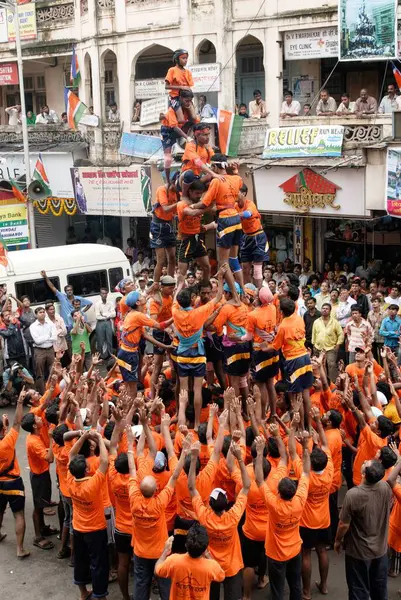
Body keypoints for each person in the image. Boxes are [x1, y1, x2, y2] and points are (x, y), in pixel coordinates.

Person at [127, 424, 187, 600]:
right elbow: (175, 475)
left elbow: (132, 469)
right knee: (164, 586)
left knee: (140, 584)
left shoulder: (134, 499)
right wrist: (184, 452)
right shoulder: (160, 502)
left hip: (140, 551)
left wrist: (130, 442)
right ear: (155, 492)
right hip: (160, 552)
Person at [188, 440, 251, 600]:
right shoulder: (234, 516)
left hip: (211, 564)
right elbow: (246, 486)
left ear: (209, 503)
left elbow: (192, 488)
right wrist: (240, 460)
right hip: (232, 566)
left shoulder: (204, 516)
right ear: (226, 504)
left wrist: (194, 458)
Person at [255, 430, 310, 600]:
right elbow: (306, 473)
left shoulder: (274, 504)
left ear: (278, 491)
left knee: (277, 590)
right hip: (294, 550)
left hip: (276, 555)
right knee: (295, 586)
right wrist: (306, 447)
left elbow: (259, 480)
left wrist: (258, 453)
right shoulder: (300, 500)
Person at [172, 266, 225, 429]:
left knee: (183, 390)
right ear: (191, 300)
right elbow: (218, 298)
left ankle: (183, 421)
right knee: (196, 389)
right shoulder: (199, 312)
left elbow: (175, 298)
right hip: (198, 355)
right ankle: (195, 423)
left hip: (182, 355)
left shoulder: (175, 311)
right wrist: (221, 278)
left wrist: (180, 282)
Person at [334, 459, 393, 600]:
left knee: (358, 591)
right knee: (379, 590)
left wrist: (337, 541)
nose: (365, 460)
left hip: (358, 552)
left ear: (364, 474)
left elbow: (343, 524)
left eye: (366, 463)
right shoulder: (386, 488)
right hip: (380, 550)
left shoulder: (353, 495)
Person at [67, 430, 110, 600]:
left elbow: (71, 453)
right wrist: (99, 438)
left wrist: (83, 437)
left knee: (81, 560)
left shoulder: (70, 480)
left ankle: (83, 593)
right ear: (86, 469)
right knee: (99, 564)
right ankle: (100, 595)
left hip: (78, 526)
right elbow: (105, 461)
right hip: (95, 529)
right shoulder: (93, 484)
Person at [296, 408, 333, 599]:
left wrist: (303, 445)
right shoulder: (329, 471)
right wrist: (318, 421)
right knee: (322, 551)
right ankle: (325, 585)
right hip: (324, 520)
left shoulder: (306, 476)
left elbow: (301, 461)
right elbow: (325, 443)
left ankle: (307, 591)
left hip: (306, 522)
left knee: (306, 555)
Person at [190, 154, 244, 287]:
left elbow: (204, 203)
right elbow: (240, 198)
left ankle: (235, 295)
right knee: (234, 259)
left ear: (214, 167)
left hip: (225, 220)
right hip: (236, 220)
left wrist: (191, 206)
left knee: (223, 263)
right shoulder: (237, 179)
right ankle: (242, 289)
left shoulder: (216, 181)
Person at [267, 298, 313, 427]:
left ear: (281, 311)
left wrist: (265, 347)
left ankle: (301, 427)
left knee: (296, 397)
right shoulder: (299, 318)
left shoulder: (283, 326)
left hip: (294, 361)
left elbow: (275, 346)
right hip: (305, 357)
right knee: (305, 394)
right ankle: (308, 427)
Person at [155, 523, 225, 600]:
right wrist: (208, 555)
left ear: (186, 545)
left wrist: (165, 552)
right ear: (205, 549)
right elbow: (221, 576)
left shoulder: (173, 561)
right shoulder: (211, 566)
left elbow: (157, 571)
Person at [0, 388, 30, 558]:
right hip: (13, 483)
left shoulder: (5, 439)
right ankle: (20, 549)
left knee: (0, 509)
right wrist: (19, 401)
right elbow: (17, 422)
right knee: (18, 514)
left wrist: (3, 428)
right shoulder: (7, 443)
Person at [21, 411, 55, 550]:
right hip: (39, 476)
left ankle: (43, 528)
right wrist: (52, 439)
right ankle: (37, 536)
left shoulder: (34, 436)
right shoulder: (34, 441)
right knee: (38, 507)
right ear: (35, 425)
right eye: (37, 418)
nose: (40, 418)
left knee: (41, 504)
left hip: (41, 474)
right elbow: (50, 458)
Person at [176, 180, 212, 285]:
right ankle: (179, 296)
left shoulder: (199, 203)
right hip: (185, 240)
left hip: (197, 239)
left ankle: (205, 288)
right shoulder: (181, 204)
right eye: (197, 193)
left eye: (201, 194)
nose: (199, 196)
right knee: (182, 272)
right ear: (190, 192)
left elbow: (214, 208)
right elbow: (192, 213)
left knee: (207, 267)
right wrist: (207, 208)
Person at [236, 183, 269, 288]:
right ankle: (247, 291)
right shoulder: (235, 206)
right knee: (245, 267)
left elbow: (247, 214)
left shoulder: (250, 204)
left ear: (244, 193)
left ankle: (258, 292)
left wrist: (233, 215)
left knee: (257, 270)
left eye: (236, 191)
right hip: (246, 237)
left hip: (258, 237)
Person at [150, 181, 178, 283]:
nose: (178, 188)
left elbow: (174, 211)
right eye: (177, 185)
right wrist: (180, 204)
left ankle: (169, 281)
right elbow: (166, 208)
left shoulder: (176, 192)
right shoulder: (162, 190)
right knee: (161, 260)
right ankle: (155, 284)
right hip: (158, 226)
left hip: (169, 225)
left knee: (172, 257)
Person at [312, 303, 344, 382]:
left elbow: (340, 334)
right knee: (317, 365)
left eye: (327, 309)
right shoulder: (316, 321)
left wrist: (338, 344)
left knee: (331, 365)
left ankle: (333, 383)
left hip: (330, 348)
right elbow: (314, 334)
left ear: (330, 311)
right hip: (318, 347)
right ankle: (319, 382)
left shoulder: (335, 322)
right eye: (323, 308)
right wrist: (314, 344)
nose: (324, 310)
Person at [29, 307, 57, 394]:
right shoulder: (33, 326)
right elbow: (37, 341)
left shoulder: (50, 324)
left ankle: (53, 392)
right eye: (40, 312)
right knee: (39, 373)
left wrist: (44, 338)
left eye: (43, 312)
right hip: (39, 351)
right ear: (36, 315)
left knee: (53, 371)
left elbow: (54, 337)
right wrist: (48, 336)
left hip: (50, 349)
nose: (43, 314)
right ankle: (42, 393)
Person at [165, 49, 197, 125]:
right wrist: (181, 87)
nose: (185, 60)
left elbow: (189, 86)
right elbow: (166, 86)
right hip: (175, 97)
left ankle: (186, 133)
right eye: (183, 58)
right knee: (181, 120)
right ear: (177, 59)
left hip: (186, 97)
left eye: (186, 58)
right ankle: (168, 120)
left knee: (194, 118)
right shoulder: (172, 70)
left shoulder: (188, 72)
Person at [95, 288, 116, 360]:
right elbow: (97, 316)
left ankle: (110, 355)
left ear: (107, 294)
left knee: (109, 340)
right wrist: (109, 314)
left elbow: (114, 314)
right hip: (100, 323)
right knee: (100, 340)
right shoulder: (97, 304)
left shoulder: (110, 303)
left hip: (108, 322)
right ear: (100, 294)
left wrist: (104, 314)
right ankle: (100, 357)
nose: (104, 295)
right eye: (102, 293)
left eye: (105, 293)